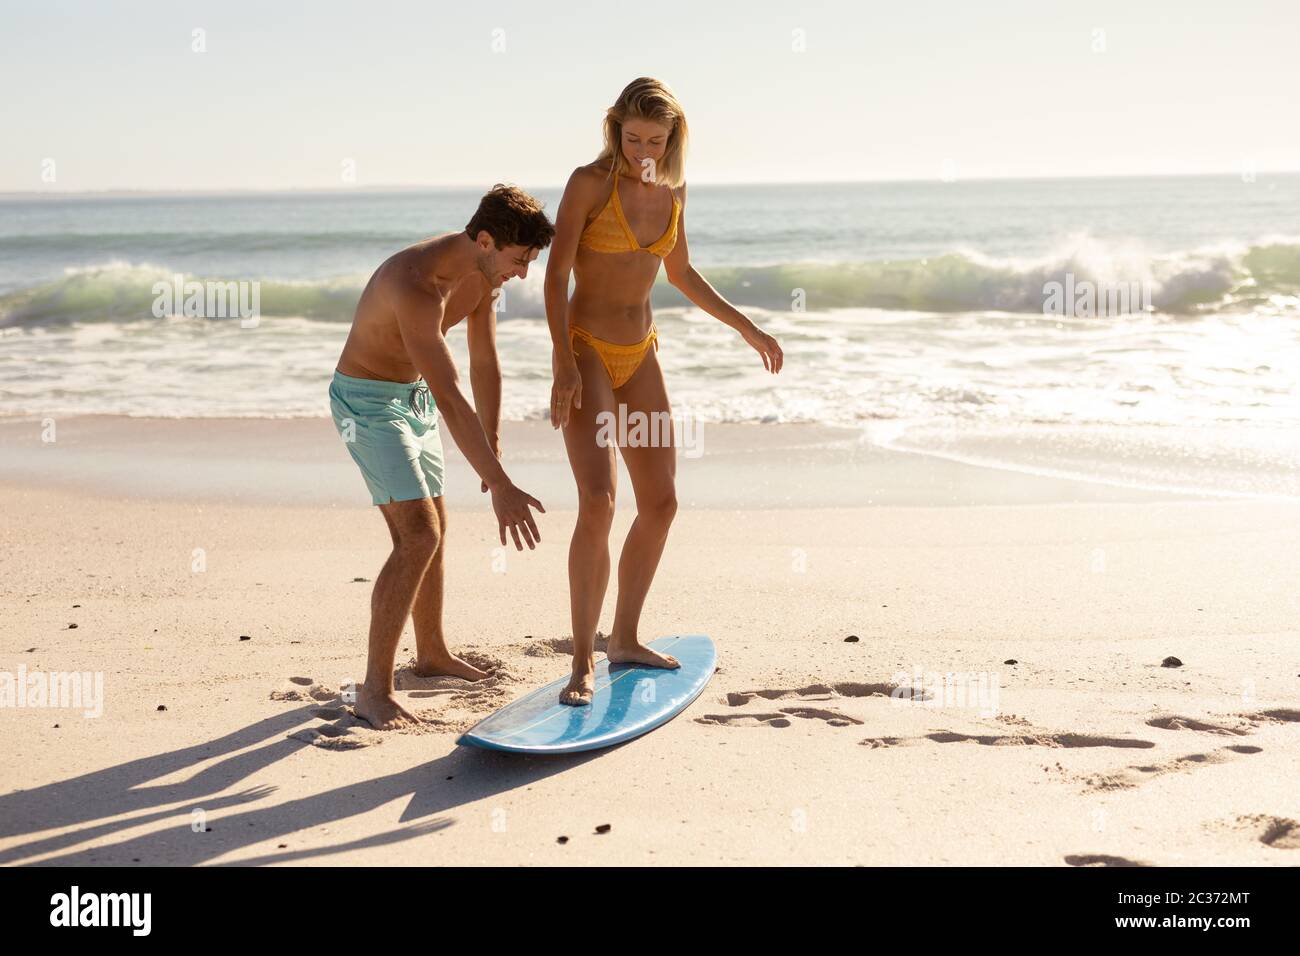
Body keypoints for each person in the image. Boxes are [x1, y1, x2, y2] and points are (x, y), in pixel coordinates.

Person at [544, 78, 784, 706]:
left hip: (640, 354)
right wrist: (560, 362)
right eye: (632, 138)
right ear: (613, 130)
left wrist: (746, 326)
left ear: (674, 138)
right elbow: (556, 273)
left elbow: (678, 273)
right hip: (587, 350)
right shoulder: (588, 184)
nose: (643, 150)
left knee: (662, 502)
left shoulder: (673, 188)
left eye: (656, 139)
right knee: (598, 500)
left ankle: (624, 637)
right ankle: (581, 663)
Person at [329, 184, 553, 729]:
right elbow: (452, 393)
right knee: (417, 535)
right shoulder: (415, 284)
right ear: (484, 240)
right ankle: (374, 691)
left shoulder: (481, 276)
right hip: (367, 403)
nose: (522, 273)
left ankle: (430, 654)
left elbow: (483, 360)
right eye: (519, 259)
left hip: (416, 400)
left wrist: (492, 440)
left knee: (436, 528)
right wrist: (499, 483)